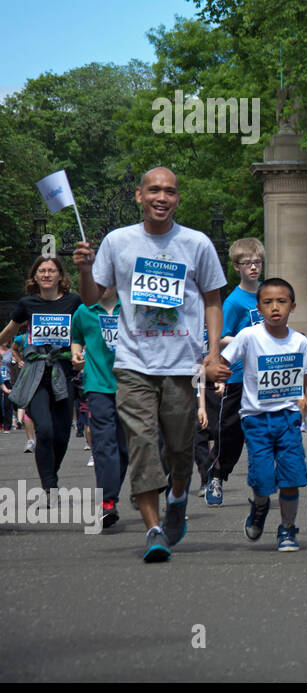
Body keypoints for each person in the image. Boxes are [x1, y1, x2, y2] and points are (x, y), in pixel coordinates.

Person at [72, 166, 226, 562]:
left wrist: (211, 355)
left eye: (170, 192)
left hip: (181, 365)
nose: (162, 197)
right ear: (139, 196)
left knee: (179, 449)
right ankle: (153, 530)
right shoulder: (119, 241)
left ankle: (178, 497)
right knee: (141, 444)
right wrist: (86, 271)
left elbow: (212, 300)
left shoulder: (196, 243)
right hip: (133, 363)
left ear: (177, 199)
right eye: (154, 190)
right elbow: (97, 298)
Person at [221, 278, 307, 551]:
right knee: (264, 479)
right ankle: (260, 505)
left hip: (289, 418)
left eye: (281, 302)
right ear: (258, 307)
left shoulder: (299, 341)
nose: (275, 307)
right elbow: (224, 361)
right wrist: (218, 376)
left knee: (291, 477)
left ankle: (287, 529)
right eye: (267, 302)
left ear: (293, 306)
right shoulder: (249, 336)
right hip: (255, 419)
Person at [0, 256, 83, 501]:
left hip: (64, 372)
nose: (46, 275)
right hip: (36, 375)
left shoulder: (73, 302)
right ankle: (50, 486)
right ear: (35, 277)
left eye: (51, 271)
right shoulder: (27, 303)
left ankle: (50, 474)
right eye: (42, 271)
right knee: (44, 430)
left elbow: (85, 329)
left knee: (62, 435)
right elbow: (8, 332)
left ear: (60, 276)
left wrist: (82, 353)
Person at [204, 237, 265, 507]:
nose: (253, 267)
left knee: (263, 430)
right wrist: (246, 338)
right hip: (238, 376)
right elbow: (220, 337)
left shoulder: (267, 293)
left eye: (257, 262)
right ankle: (216, 475)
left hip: (264, 376)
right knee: (230, 433)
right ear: (236, 267)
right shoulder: (233, 301)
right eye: (247, 263)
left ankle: (261, 483)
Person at [70, 285, 129, 528]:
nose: (103, 286)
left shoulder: (130, 307)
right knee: (104, 442)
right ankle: (107, 502)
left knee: (124, 449)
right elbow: (77, 338)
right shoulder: (84, 310)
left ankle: (111, 492)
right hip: (97, 383)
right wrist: (75, 354)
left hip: (130, 384)